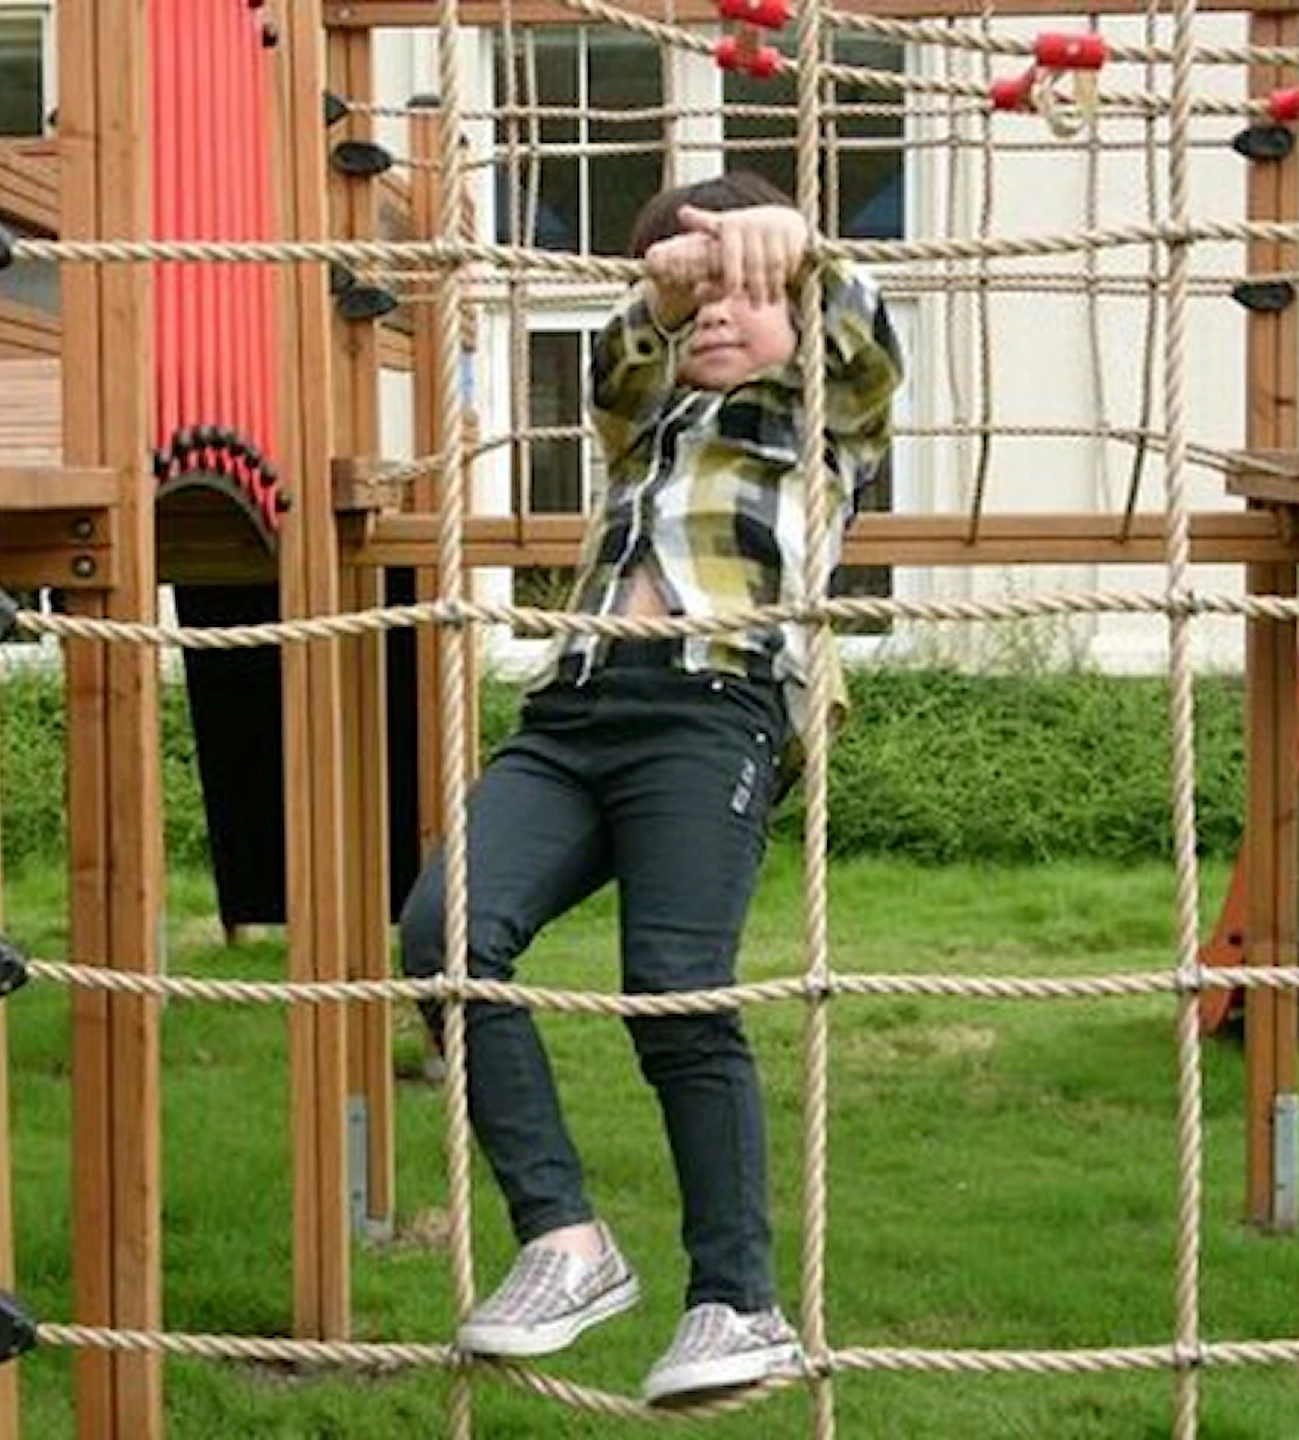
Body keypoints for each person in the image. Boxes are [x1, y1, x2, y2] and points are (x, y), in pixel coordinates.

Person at [398, 170, 903, 1407]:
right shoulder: (643, 418)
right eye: (697, 300)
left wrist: (800, 253)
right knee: (443, 935)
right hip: (574, 711)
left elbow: (864, 344)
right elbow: (618, 367)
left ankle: (739, 1300)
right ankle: (567, 1243)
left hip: (713, 703)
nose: (718, 313)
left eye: (747, 295)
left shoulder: (820, 421)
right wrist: (660, 298)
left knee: (673, 987)